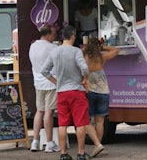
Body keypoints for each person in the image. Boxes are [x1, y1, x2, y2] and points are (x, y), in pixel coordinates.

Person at [41, 25, 92, 160]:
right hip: (76, 91)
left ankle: (63, 154)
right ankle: (81, 153)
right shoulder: (76, 51)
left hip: (62, 92)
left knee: (62, 124)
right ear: (73, 36)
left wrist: (56, 82)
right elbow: (85, 68)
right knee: (80, 123)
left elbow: (44, 70)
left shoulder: (54, 52)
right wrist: (85, 79)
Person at [83, 38, 119, 158]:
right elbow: (116, 50)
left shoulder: (84, 58)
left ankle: (97, 144)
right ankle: (97, 146)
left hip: (89, 92)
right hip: (103, 92)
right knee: (100, 121)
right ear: (98, 47)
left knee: (86, 120)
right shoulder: (102, 57)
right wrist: (103, 47)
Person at [28, 24, 60, 152]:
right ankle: (49, 142)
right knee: (49, 112)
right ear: (48, 34)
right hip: (51, 83)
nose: (55, 36)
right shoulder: (52, 47)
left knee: (39, 111)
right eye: (53, 34)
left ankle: (35, 141)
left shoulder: (33, 45)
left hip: (38, 82)